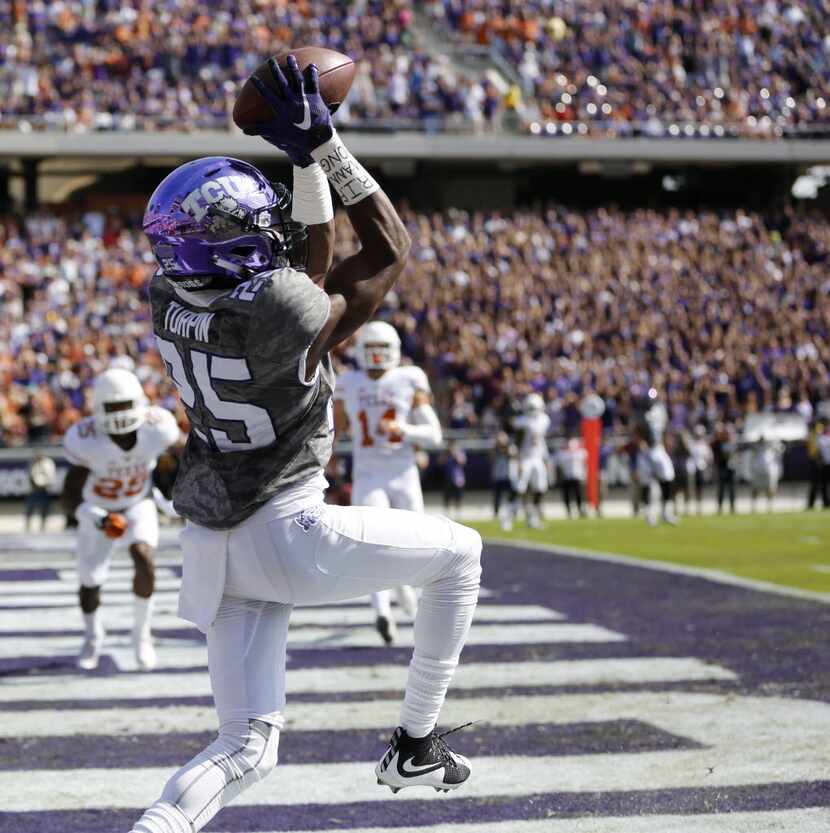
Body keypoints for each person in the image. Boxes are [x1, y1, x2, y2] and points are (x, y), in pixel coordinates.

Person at [130, 56, 482, 833]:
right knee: (460, 552)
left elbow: (303, 266)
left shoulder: (164, 294)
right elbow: (381, 251)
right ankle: (416, 740)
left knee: (246, 746)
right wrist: (324, 145)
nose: (270, 230)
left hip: (214, 545)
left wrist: (301, 162)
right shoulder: (283, 309)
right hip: (289, 528)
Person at [62, 367, 181, 671]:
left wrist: (176, 497)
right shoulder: (85, 438)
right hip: (98, 508)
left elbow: (184, 455)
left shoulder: (158, 427)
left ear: (140, 402)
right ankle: (92, 635)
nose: (120, 415)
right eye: (113, 407)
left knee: (144, 557)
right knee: (90, 582)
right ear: (98, 408)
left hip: (137, 502)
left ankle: (142, 635)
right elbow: (69, 495)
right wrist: (95, 516)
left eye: (125, 405)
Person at [334, 320, 443, 645]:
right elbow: (335, 429)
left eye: (383, 348)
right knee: (373, 543)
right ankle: (382, 610)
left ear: (394, 350)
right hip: (368, 473)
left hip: (403, 471)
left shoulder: (409, 378)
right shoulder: (349, 382)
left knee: (415, 545)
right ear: (361, 352)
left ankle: (404, 591)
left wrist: (405, 430)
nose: (377, 354)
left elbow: (434, 435)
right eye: (371, 348)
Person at [635, 387, 677, 526]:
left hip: (658, 448)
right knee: (647, 483)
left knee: (668, 476)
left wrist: (667, 442)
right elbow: (636, 431)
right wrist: (641, 443)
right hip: (646, 451)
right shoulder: (641, 413)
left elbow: (664, 429)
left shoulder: (660, 411)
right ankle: (649, 514)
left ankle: (666, 512)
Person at [511, 392, 551, 528]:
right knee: (520, 487)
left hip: (538, 457)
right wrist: (518, 460)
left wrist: (546, 459)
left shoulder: (544, 420)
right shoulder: (521, 422)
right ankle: (515, 513)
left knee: (540, 487)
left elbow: (542, 441)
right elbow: (517, 442)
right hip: (525, 458)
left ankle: (533, 515)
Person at [555, 435, 588, 519]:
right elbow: (559, 466)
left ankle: (580, 510)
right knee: (567, 495)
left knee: (579, 495)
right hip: (566, 477)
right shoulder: (562, 453)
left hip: (578, 476)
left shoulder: (581, 453)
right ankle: (568, 511)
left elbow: (585, 464)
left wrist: (585, 475)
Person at [749, 433, 784, 512]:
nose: (762, 440)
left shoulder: (772, 447)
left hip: (768, 471)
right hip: (758, 471)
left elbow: (780, 450)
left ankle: (769, 507)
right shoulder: (755, 448)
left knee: (770, 489)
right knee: (755, 489)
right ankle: (753, 507)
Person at [490, 431, 517, 530]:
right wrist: (497, 447)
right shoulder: (495, 448)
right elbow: (491, 458)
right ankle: (496, 513)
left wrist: (505, 447)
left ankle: (512, 512)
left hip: (509, 475)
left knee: (511, 496)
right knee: (497, 496)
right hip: (498, 475)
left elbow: (513, 455)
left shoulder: (510, 446)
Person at [25, 451, 56, 532]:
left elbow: (50, 475)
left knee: (44, 508)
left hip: (44, 489)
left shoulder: (47, 463)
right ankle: (28, 524)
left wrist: (44, 482)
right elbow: (30, 476)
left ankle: (43, 524)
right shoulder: (33, 463)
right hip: (34, 489)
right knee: (30, 507)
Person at [712, 423, 738, 514]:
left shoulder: (732, 443)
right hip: (722, 467)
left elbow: (736, 455)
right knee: (721, 489)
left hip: (731, 468)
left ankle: (732, 507)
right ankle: (720, 507)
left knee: (732, 489)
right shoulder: (718, 443)